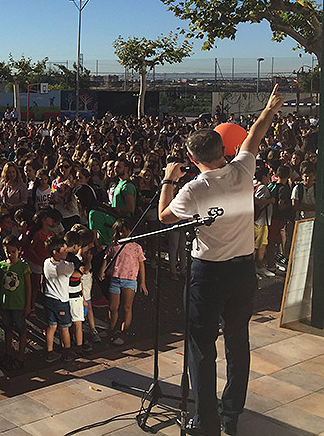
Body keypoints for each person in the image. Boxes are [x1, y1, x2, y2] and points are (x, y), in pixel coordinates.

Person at [159, 85, 283, 436]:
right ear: (223, 150)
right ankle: (231, 415)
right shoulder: (243, 169)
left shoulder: (195, 189)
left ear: (192, 158)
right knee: (237, 342)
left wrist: (168, 178)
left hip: (208, 274)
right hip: (243, 271)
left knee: (201, 347)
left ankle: (206, 422)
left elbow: (165, 217)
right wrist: (269, 109)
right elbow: (254, 135)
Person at [101, 221, 147, 346]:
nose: (124, 233)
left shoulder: (137, 247)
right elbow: (106, 258)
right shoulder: (113, 245)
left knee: (127, 307)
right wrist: (102, 271)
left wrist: (142, 282)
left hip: (130, 280)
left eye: (126, 230)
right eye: (121, 231)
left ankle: (124, 333)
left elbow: (141, 265)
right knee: (113, 307)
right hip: (115, 279)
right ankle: (111, 329)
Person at [0, 235, 31, 369]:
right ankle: (8, 353)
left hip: (19, 305)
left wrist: (28, 305)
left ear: (19, 250)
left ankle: (21, 356)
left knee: (21, 330)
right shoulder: (1, 266)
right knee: (7, 329)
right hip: (5, 304)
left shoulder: (23, 266)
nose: (10, 254)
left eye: (13, 251)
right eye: (8, 252)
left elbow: (28, 287)